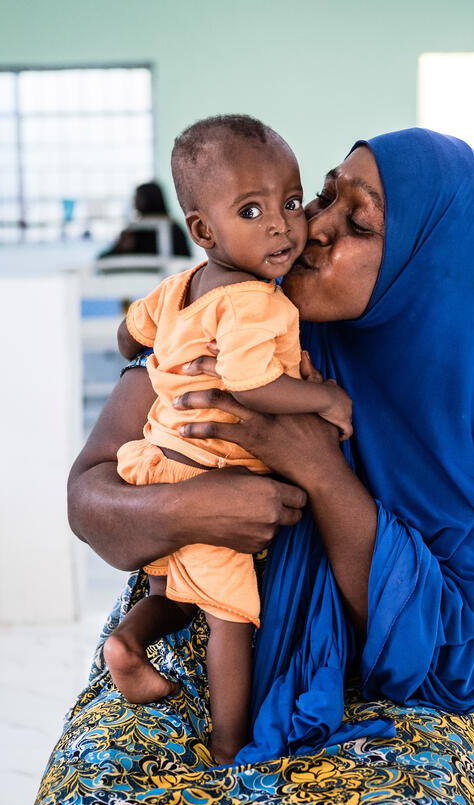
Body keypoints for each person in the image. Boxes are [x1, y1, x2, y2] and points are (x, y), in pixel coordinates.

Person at [32, 128, 474, 805]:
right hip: (190, 654)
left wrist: (316, 468)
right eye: (326, 195)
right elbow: (87, 495)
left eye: (357, 221)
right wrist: (192, 510)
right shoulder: (232, 320)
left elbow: (457, 666)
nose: (316, 226)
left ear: (430, 270)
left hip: (385, 706)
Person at [105, 115, 353, 766]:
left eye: (291, 203)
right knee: (230, 619)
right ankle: (229, 741)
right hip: (203, 476)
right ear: (204, 229)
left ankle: (127, 646)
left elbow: (131, 334)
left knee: (171, 595)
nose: (281, 225)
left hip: (155, 457)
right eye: (252, 210)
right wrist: (324, 396)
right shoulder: (258, 304)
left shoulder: (182, 285)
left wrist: (143, 347)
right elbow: (253, 385)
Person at [98, 181, 192, 259]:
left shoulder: (171, 229)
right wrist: (121, 248)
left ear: (149, 199)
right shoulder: (133, 230)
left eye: (138, 197)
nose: (134, 202)